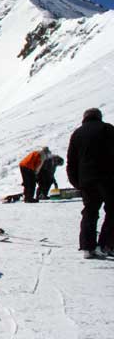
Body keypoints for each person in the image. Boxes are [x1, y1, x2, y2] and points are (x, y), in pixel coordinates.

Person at [66, 108, 114, 258]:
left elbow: (71, 161)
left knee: (90, 211)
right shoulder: (108, 129)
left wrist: (77, 183)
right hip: (108, 178)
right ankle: (106, 245)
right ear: (99, 117)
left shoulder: (77, 134)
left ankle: (87, 247)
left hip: (86, 180)